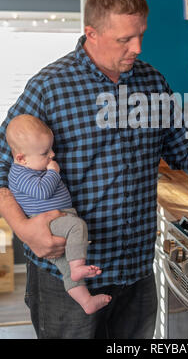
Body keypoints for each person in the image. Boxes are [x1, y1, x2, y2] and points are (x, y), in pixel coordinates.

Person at [0, 0, 188, 339]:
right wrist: (24, 230)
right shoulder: (49, 87)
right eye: (124, 39)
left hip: (136, 272)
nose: (137, 48)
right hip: (69, 277)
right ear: (91, 32)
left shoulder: (153, 82)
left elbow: (184, 149)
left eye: (141, 35)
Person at [6, 114, 111, 315]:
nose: (52, 155)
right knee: (77, 226)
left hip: (59, 218)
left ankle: (86, 301)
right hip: (52, 221)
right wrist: (53, 172)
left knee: (66, 268)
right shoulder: (19, 174)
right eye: (45, 153)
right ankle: (79, 266)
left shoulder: (29, 166)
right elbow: (42, 192)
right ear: (21, 158)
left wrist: (46, 165)